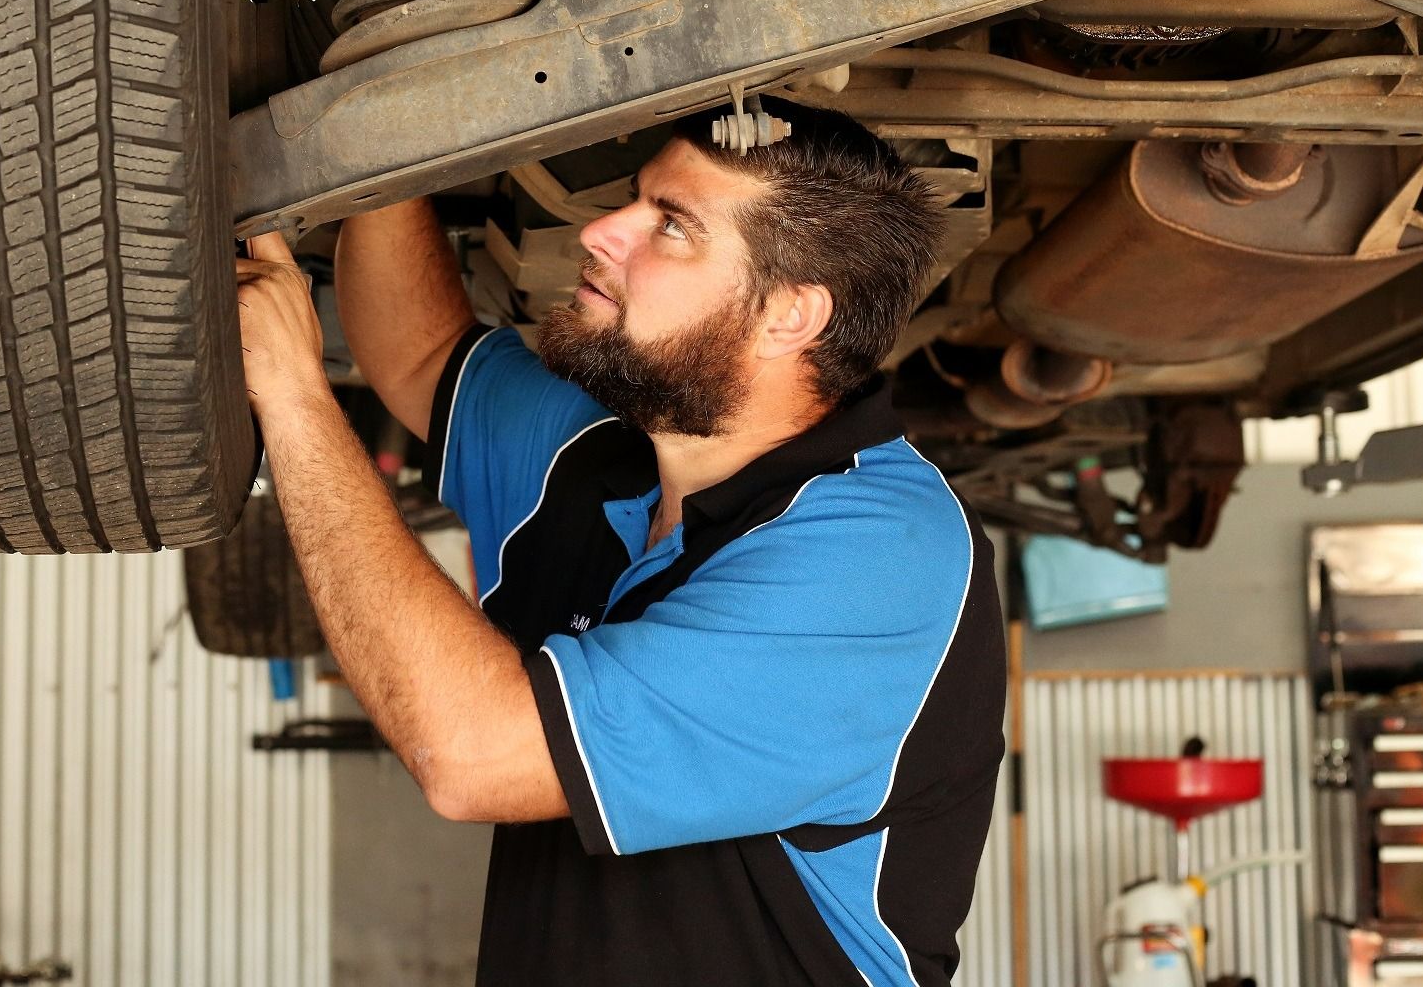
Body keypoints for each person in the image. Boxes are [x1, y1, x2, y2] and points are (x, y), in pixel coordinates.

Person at [235, 98, 1006, 986]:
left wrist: (295, 397)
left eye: (670, 227)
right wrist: (378, 121)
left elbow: (470, 755)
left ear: (790, 316)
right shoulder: (608, 456)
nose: (601, 231)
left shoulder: (883, 556)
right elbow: (420, 355)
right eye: (637, 200)